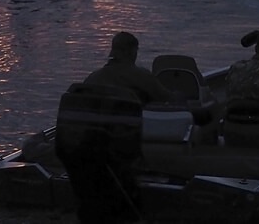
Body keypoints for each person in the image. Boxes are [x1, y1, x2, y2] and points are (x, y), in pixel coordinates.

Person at [55, 31, 173, 223]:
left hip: (90, 149)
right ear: (132, 52)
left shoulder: (92, 79)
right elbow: (168, 100)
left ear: (113, 51)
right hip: (124, 148)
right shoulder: (141, 76)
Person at [83, 31, 176, 104]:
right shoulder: (142, 76)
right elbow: (167, 98)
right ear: (130, 52)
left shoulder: (93, 78)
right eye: (136, 50)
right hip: (133, 125)